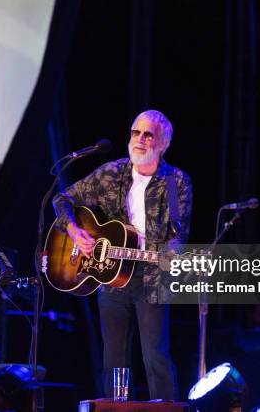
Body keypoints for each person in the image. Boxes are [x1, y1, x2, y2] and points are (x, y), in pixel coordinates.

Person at [52, 110, 192, 400]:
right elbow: (62, 198)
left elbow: (179, 233)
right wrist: (75, 231)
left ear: (163, 143)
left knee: (155, 356)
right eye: (135, 132)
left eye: (148, 134)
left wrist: (174, 251)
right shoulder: (111, 173)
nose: (139, 139)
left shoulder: (176, 181)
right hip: (110, 274)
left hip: (152, 276)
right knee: (113, 360)